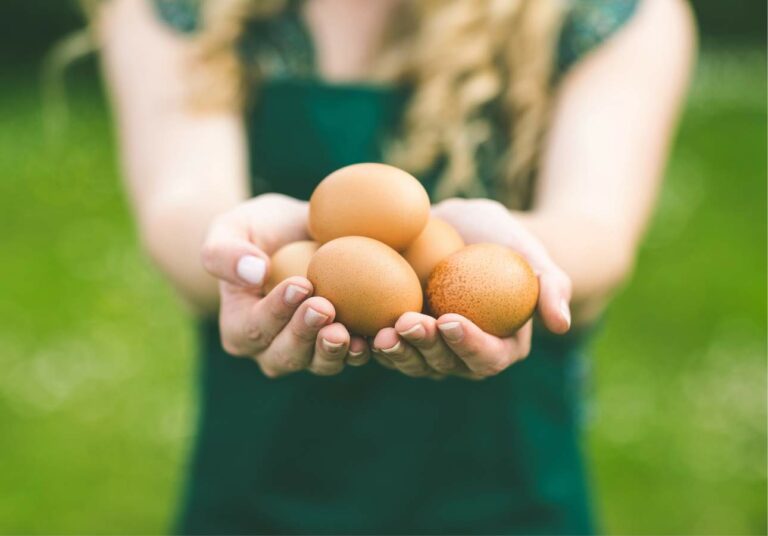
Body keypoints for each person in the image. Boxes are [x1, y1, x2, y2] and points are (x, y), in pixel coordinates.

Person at [92, 0, 694, 533]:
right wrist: (247, 254)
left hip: (501, 485)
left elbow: (596, 230)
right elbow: (181, 206)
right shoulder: (187, 10)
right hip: (264, 484)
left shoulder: (600, 13)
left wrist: (507, 262)